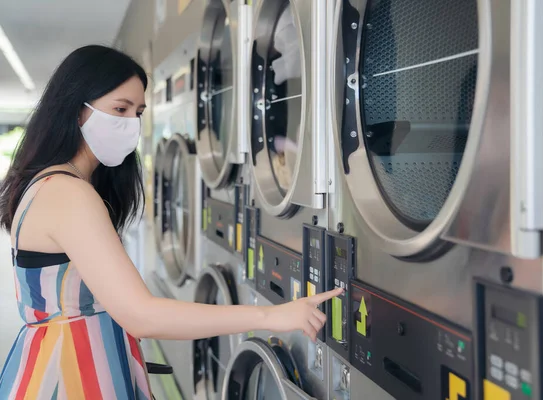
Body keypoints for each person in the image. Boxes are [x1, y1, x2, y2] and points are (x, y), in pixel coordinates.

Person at [0, 45, 342, 399]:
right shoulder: (68, 193)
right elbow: (142, 316)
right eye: (120, 109)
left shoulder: (53, 183)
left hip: (66, 366)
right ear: (76, 110)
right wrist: (271, 317)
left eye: (138, 112)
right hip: (73, 377)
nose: (131, 123)